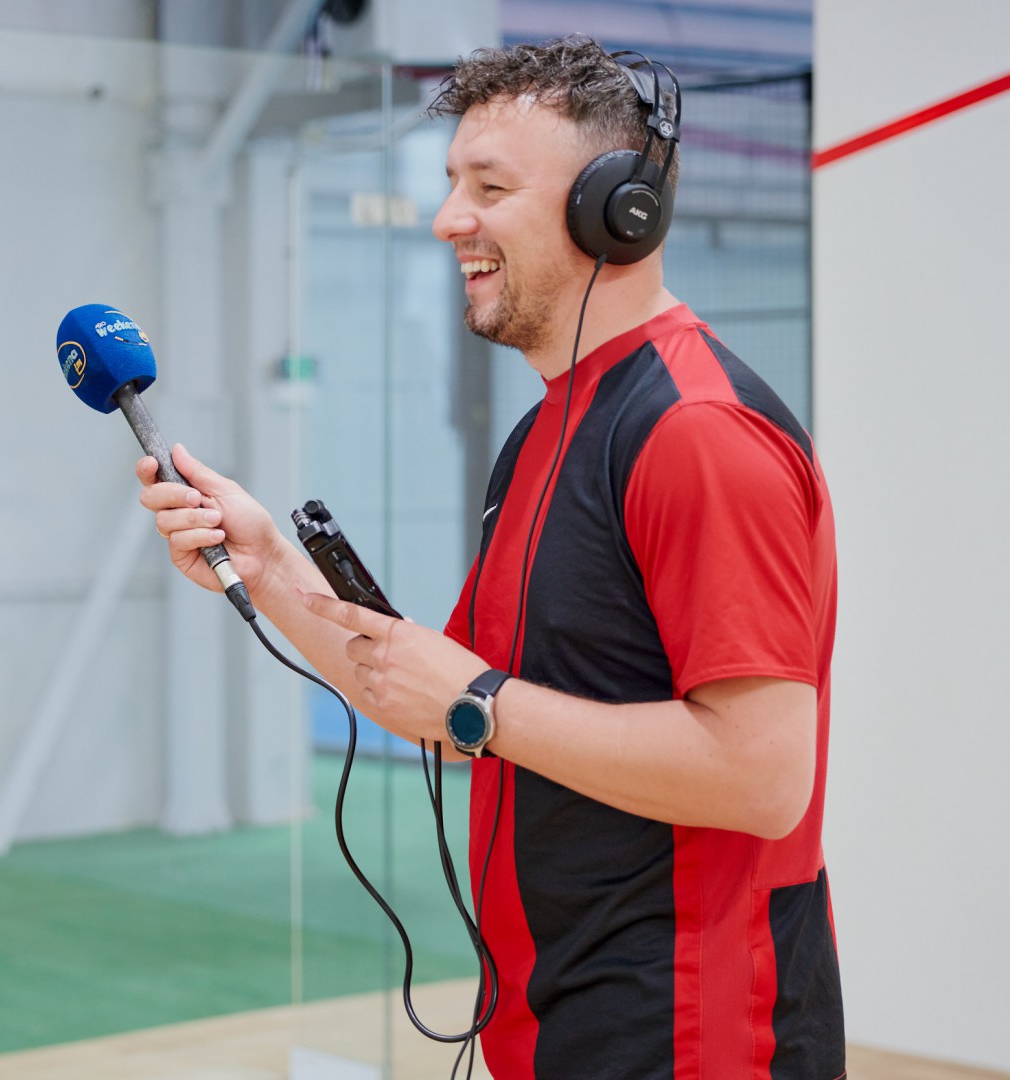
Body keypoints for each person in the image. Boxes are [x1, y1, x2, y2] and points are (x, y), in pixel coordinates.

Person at [138, 38, 843, 1078]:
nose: (447, 218)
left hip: (695, 1035)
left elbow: (763, 775)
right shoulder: (550, 432)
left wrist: (481, 702)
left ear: (619, 208)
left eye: (489, 186)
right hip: (561, 1014)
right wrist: (269, 565)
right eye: (450, 183)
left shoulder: (698, 435)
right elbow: (444, 703)